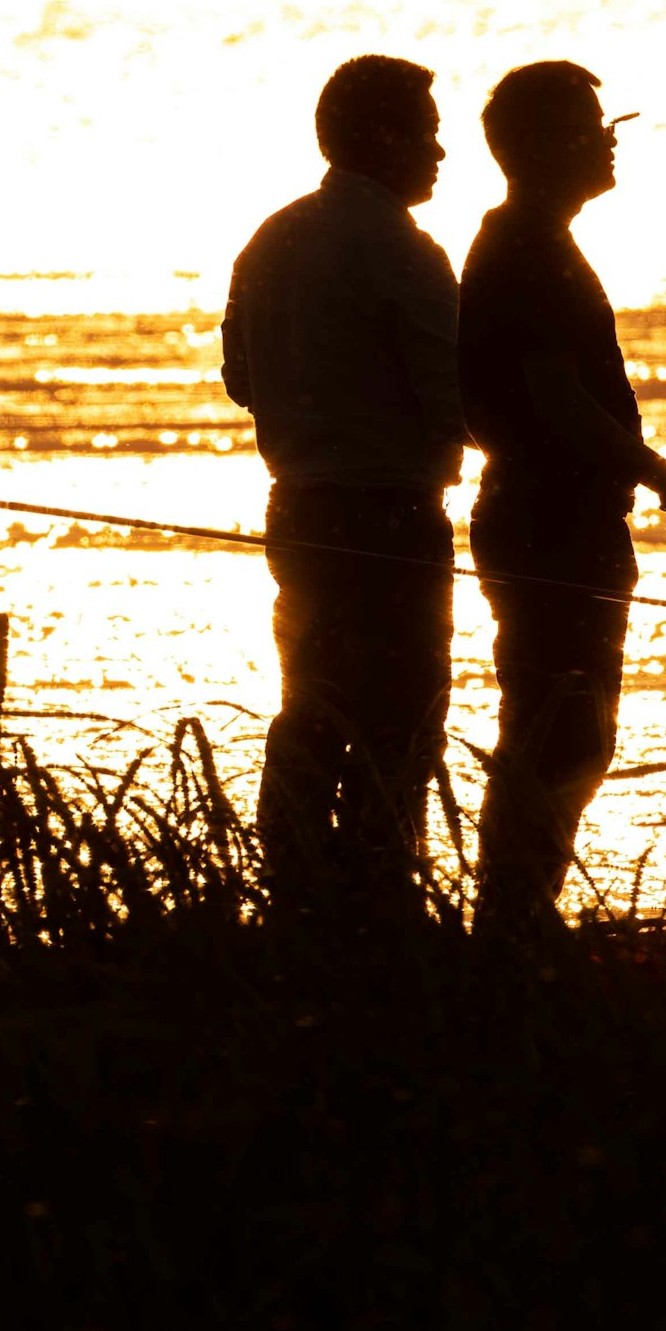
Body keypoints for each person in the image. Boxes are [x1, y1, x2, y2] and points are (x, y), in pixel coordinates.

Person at [458, 60, 666, 933]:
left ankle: (518, 920)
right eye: (589, 127)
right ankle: (512, 926)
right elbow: (557, 400)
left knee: (569, 730)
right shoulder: (528, 249)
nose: (610, 141)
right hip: (549, 527)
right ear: (539, 147)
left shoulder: (533, 240)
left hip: (557, 521)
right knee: (559, 732)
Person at [220, 54, 466, 906]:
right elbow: (452, 397)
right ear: (381, 138)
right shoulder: (407, 251)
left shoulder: (271, 239)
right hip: (392, 516)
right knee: (402, 719)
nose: (441, 155)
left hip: (298, 511)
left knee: (312, 707)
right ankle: (381, 899)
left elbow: (240, 380)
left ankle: (295, 892)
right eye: (428, 136)